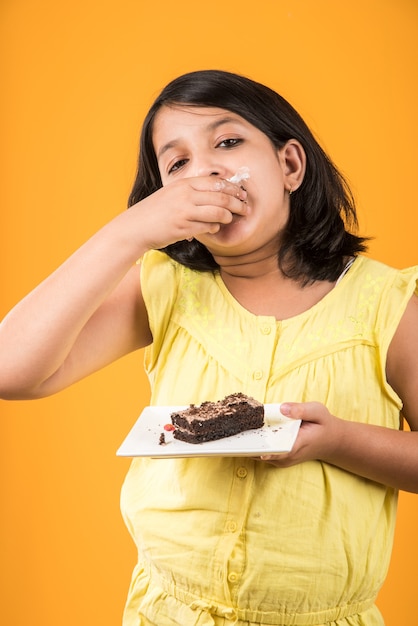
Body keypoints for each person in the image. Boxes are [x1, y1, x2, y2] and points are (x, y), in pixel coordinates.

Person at [1, 69, 418, 626]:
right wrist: (129, 233)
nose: (207, 171)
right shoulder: (163, 286)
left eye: (227, 142)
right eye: (177, 164)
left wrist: (338, 441)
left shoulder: (389, 304)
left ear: (290, 166)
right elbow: (11, 370)